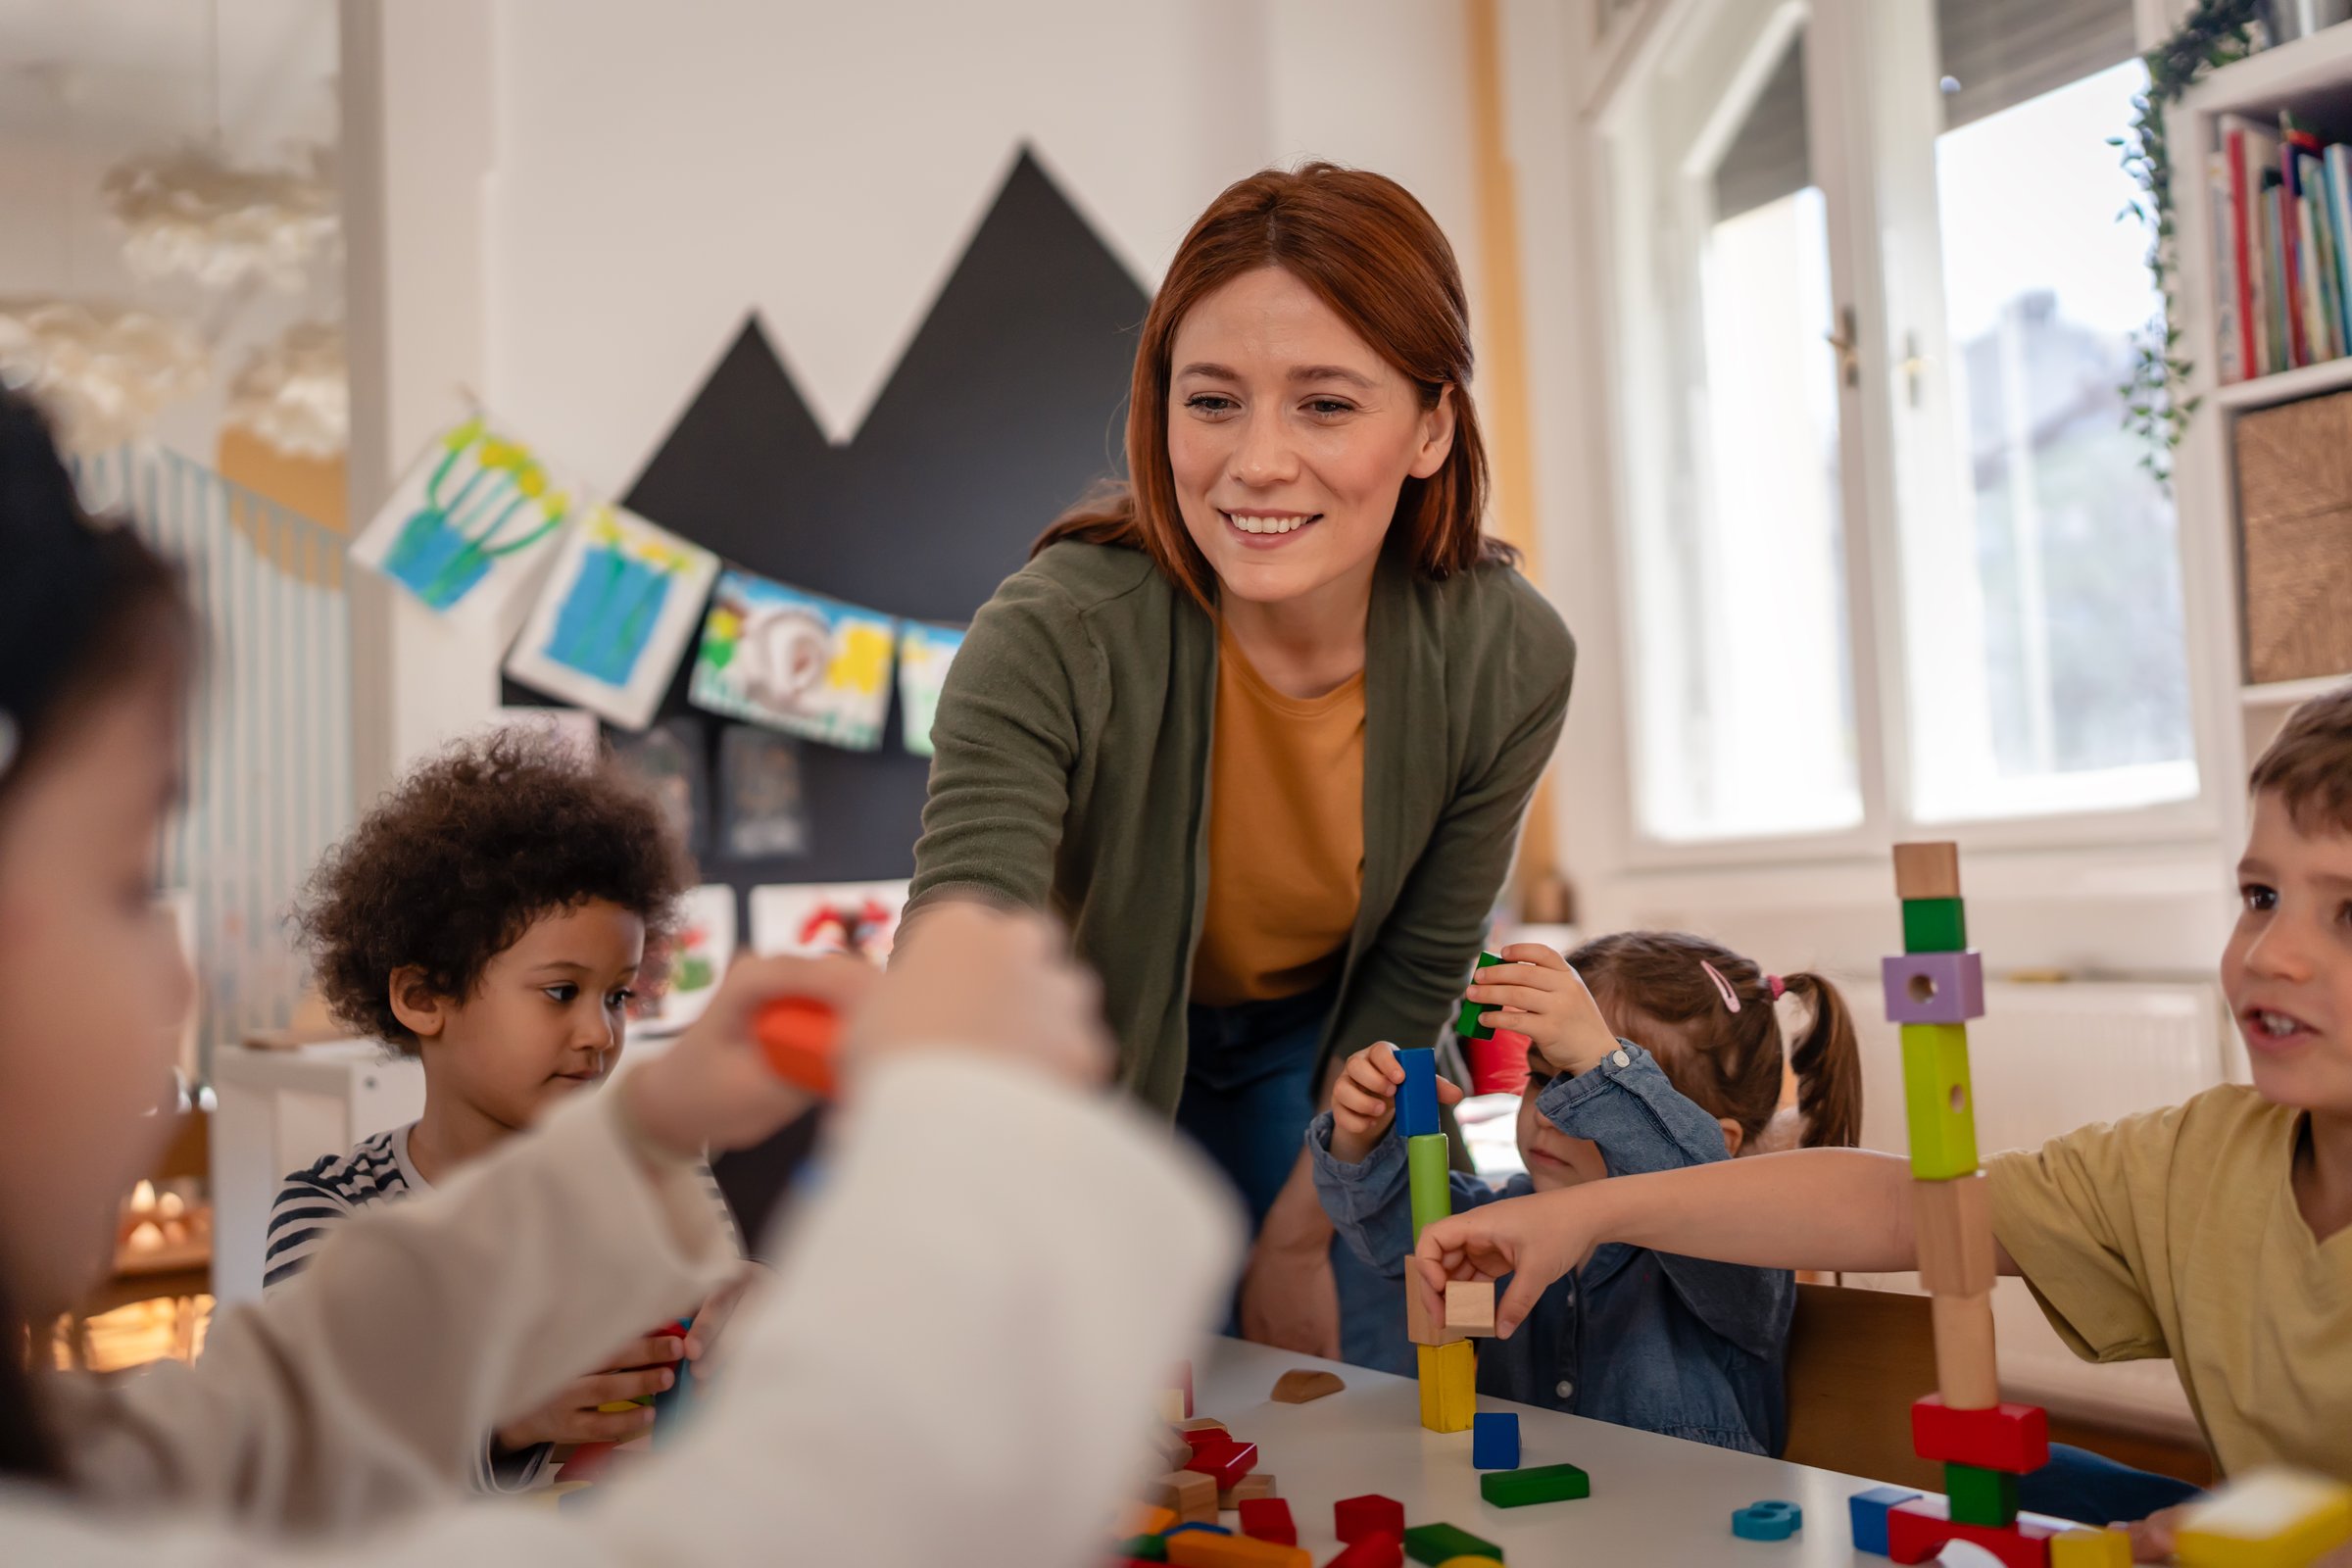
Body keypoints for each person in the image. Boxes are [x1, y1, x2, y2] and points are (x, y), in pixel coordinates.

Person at [0, 386, 1240, 1563]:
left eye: (614, 996)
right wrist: (963, 1131)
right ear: (423, 992)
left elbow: (275, 1405)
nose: (173, 980)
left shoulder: (67, 1473)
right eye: (123, 878)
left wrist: (648, 1132)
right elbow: (802, 1524)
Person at [1411, 689, 2352, 1553]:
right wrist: (1585, 1213)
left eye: (2347, 912)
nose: (2276, 954)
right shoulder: (2194, 1159)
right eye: (2261, 897)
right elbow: (1909, 1208)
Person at [910, 162, 1574, 1371]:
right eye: (1212, 400)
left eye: (1325, 404)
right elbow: (966, 941)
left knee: (1361, 1385)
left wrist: (1293, 1236)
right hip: (1091, 1038)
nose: (1257, 462)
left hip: (1327, 1049)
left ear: (1431, 426)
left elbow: (1422, 965)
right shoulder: (1052, 631)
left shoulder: (1510, 655)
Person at [266, 732, 747, 1489]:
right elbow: (310, 1466)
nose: (600, 1033)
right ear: (423, 998)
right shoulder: (334, 1213)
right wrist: (502, 1422)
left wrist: (757, 1325)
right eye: (561, 992)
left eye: (618, 995)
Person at [1310, 938, 1861, 1453]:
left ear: (1716, 1143)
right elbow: (1399, 1236)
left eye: (1584, 1090)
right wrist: (1361, 1139)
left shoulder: (1734, 1247)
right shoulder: (1504, 1217)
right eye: (1541, 1079)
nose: (1548, 1113)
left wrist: (1603, 1061)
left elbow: (1711, 1207)